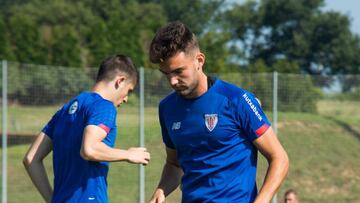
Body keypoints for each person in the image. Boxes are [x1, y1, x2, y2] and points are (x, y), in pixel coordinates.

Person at [148, 21, 289, 203]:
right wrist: (161, 190)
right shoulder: (167, 108)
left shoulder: (237, 100)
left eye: (178, 71)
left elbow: (279, 158)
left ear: (199, 60)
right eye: (166, 74)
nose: (173, 81)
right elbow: (174, 164)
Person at [23, 54, 151, 203]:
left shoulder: (63, 111)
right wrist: (128, 154)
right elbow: (89, 149)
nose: (126, 99)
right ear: (120, 81)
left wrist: (52, 200)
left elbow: (31, 159)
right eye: (128, 91)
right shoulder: (104, 106)